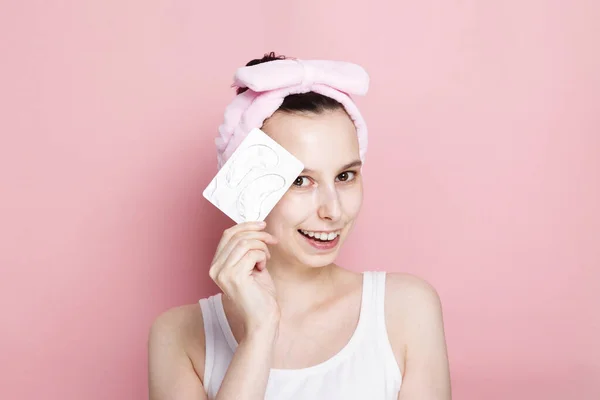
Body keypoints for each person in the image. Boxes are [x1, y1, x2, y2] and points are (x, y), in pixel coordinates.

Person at [148, 52, 452, 400]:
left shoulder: (407, 309)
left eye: (345, 175)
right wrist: (260, 333)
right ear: (247, 188)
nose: (333, 210)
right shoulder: (178, 336)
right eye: (300, 181)